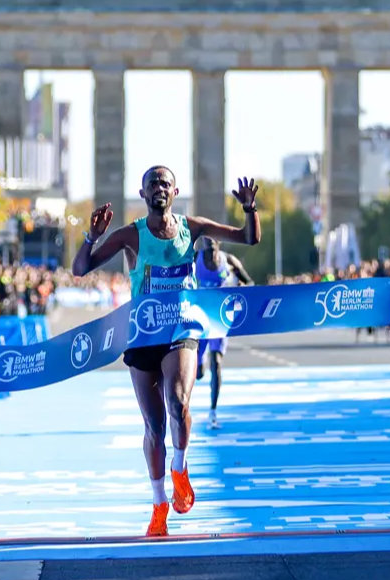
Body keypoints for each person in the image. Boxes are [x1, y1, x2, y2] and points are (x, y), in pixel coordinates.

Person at [73, 167, 261, 537]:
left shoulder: (192, 227)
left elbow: (248, 239)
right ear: (143, 194)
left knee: (179, 403)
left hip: (181, 328)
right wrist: (91, 237)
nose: (158, 187)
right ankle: (159, 503)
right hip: (143, 334)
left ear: (175, 190)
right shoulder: (131, 235)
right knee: (154, 427)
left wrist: (251, 209)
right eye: (151, 184)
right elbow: (81, 268)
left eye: (164, 182)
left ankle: (180, 467)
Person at [192, 236, 250, 430]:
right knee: (198, 373)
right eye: (207, 242)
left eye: (213, 240)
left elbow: (250, 283)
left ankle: (213, 411)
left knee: (216, 363)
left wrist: (240, 288)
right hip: (199, 321)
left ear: (219, 243)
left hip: (219, 321)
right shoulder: (194, 258)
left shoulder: (230, 261)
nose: (210, 245)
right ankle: (198, 369)